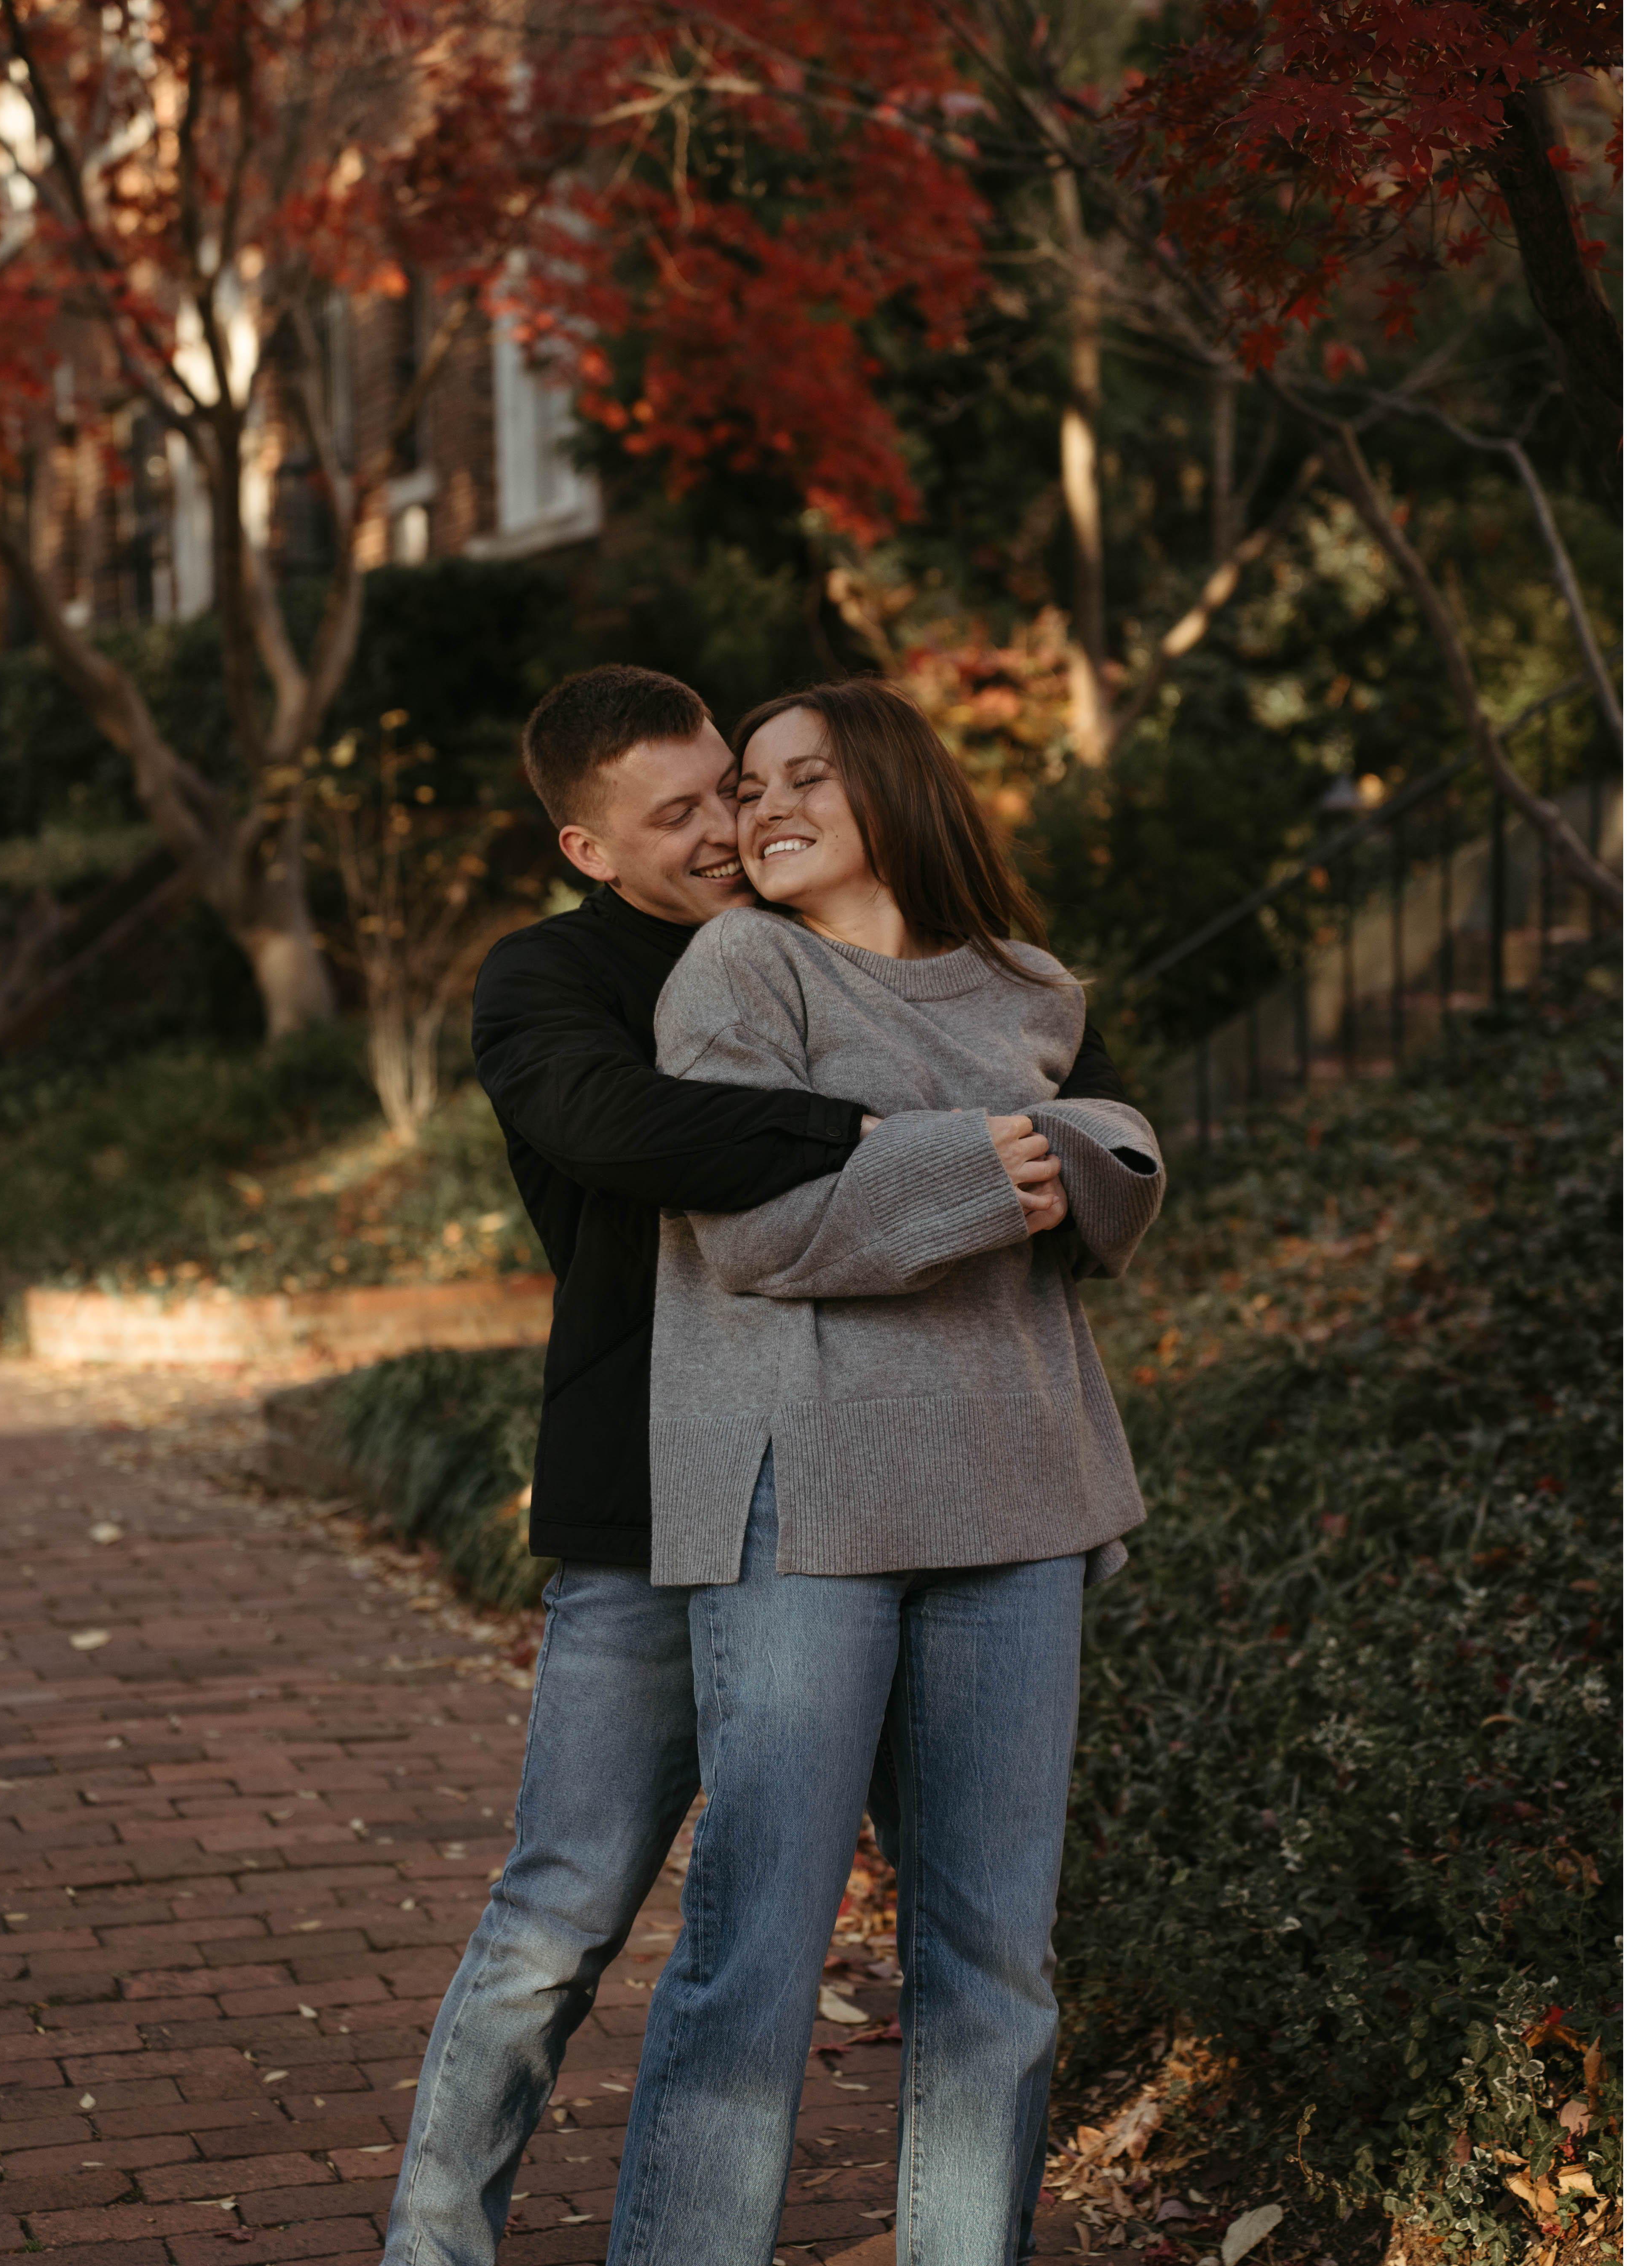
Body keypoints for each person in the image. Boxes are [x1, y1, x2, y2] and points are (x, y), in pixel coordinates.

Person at [381, 665, 1133, 2266]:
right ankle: (430, 2252)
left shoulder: (965, 967)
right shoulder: (559, 978)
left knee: (972, 1936)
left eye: (736, 786)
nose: (733, 825)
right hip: (663, 1495)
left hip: (898, 1479)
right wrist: (900, 1144)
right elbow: (632, 1136)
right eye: (689, 813)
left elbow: (1072, 1143)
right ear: (591, 849)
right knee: (564, 1915)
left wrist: (1058, 1158)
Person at [604, 678, 1165, 2266]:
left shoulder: (1029, 985)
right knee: (758, 1952)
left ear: (896, 790)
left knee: (998, 1968)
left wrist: (1080, 1153)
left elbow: (1104, 1173)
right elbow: (755, 1232)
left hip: (1022, 1495)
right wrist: (977, 1166)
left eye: (806, 778)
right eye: (748, 786)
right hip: (810, 1506)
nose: (762, 809)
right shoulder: (743, 966)